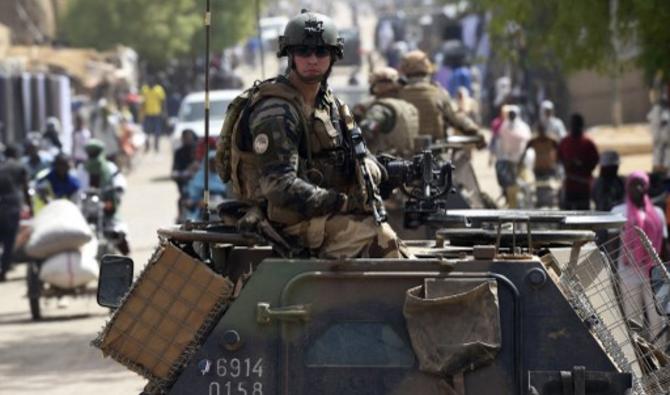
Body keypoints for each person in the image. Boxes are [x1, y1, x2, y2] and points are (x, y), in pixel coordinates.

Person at [218, 10, 405, 258]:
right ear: (290, 56)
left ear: (333, 56)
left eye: (321, 52)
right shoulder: (277, 111)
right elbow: (279, 187)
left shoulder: (330, 105)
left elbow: (360, 152)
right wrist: (344, 203)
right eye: (303, 52)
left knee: (389, 229)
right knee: (383, 242)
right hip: (282, 223)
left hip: (318, 214)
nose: (312, 59)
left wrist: (376, 168)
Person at [612, 171, 667, 340]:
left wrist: (663, 271)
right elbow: (612, 243)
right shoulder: (618, 212)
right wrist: (613, 271)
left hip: (654, 274)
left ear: (647, 186)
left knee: (658, 319)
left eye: (641, 183)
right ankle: (638, 360)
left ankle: (659, 361)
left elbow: (664, 244)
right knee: (633, 320)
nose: (638, 188)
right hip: (628, 273)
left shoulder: (657, 213)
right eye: (633, 184)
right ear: (627, 187)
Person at [397, 50, 480, 143]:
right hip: (434, 152)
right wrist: (475, 131)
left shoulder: (397, 92)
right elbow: (455, 117)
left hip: (402, 154)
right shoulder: (438, 92)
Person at [359, 67, 419, 158]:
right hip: (408, 164)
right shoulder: (410, 107)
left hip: (385, 165)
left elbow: (367, 128)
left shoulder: (380, 109)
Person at [558, 113, 599, 210]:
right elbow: (559, 158)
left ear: (581, 126)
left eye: (576, 125)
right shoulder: (565, 142)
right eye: (573, 125)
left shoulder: (588, 143)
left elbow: (595, 160)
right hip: (569, 185)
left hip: (584, 186)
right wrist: (568, 164)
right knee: (567, 216)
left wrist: (583, 166)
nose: (574, 127)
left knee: (584, 215)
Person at [0, 145, 29, 281]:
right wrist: (30, 206)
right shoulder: (19, 167)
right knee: (9, 241)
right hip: (12, 206)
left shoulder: (2, 166)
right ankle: (3, 270)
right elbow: (25, 188)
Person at [493, 105, 531, 208]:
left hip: (521, 163)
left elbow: (528, 144)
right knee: (511, 190)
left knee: (526, 186)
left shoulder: (523, 127)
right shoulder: (504, 127)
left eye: (513, 114)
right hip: (508, 163)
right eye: (510, 114)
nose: (512, 116)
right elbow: (500, 145)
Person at [520, 123, 560, 207]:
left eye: (543, 131)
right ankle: (540, 202)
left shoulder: (551, 140)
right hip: (538, 169)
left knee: (548, 186)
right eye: (540, 131)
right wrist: (521, 161)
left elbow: (559, 149)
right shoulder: (534, 141)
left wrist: (557, 161)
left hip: (548, 168)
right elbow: (526, 149)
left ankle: (549, 202)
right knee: (539, 187)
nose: (541, 133)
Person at [184, 151, 228, 221]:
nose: (213, 165)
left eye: (215, 162)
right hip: (201, 208)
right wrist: (200, 201)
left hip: (220, 208)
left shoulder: (223, 177)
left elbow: (225, 194)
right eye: (211, 162)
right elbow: (193, 196)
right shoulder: (200, 177)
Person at [172, 129, 199, 221]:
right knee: (183, 201)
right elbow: (175, 171)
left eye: (189, 138)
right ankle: (181, 218)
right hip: (187, 185)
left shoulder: (199, 151)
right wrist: (184, 174)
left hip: (202, 189)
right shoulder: (179, 153)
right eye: (185, 138)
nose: (187, 140)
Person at [141, 77, 166, 152]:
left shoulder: (159, 89)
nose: (150, 84)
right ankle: (147, 144)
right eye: (149, 83)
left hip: (156, 113)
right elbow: (142, 102)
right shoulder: (144, 89)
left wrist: (164, 112)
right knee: (146, 131)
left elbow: (163, 101)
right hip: (147, 114)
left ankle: (156, 145)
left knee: (157, 131)